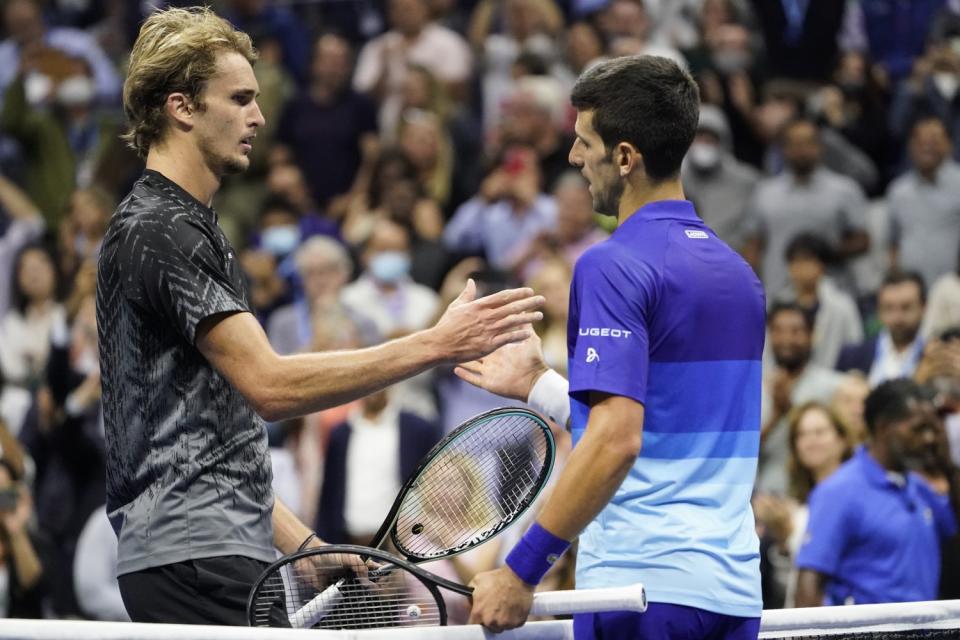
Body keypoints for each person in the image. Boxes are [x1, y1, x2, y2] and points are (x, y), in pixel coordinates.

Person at [96, 7, 543, 626]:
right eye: (240, 98)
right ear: (182, 107)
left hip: (207, 550)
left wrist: (303, 547)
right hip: (198, 555)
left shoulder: (173, 224)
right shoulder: (162, 229)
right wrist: (435, 345)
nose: (258, 116)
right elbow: (271, 388)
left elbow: (213, 434)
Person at [457, 55, 766, 639]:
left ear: (624, 157)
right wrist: (537, 385)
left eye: (584, 142)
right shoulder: (739, 274)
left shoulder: (611, 265)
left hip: (638, 593)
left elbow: (618, 440)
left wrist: (520, 571)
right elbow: (665, 423)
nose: (573, 158)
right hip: (731, 597)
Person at [794, 378, 960, 606]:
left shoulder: (918, 486)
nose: (929, 439)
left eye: (932, 429)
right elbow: (809, 584)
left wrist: (948, 468)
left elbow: (955, 540)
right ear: (883, 427)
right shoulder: (839, 491)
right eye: (919, 429)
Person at [757, 303, 844, 495]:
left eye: (796, 331)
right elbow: (742, 452)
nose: (786, 339)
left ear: (812, 335)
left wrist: (791, 410)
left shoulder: (834, 386)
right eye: (778, 331)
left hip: (819, 492)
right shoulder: (753, 389)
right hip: (766, 493)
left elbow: (847, 442)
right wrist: (776, 416)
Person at [836, 271, 927, 387]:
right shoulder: (852, 357)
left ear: (923, 308)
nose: (897, 317)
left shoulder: (935, 358)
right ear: (878, 310)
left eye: (906, 307)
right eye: (888, 308)